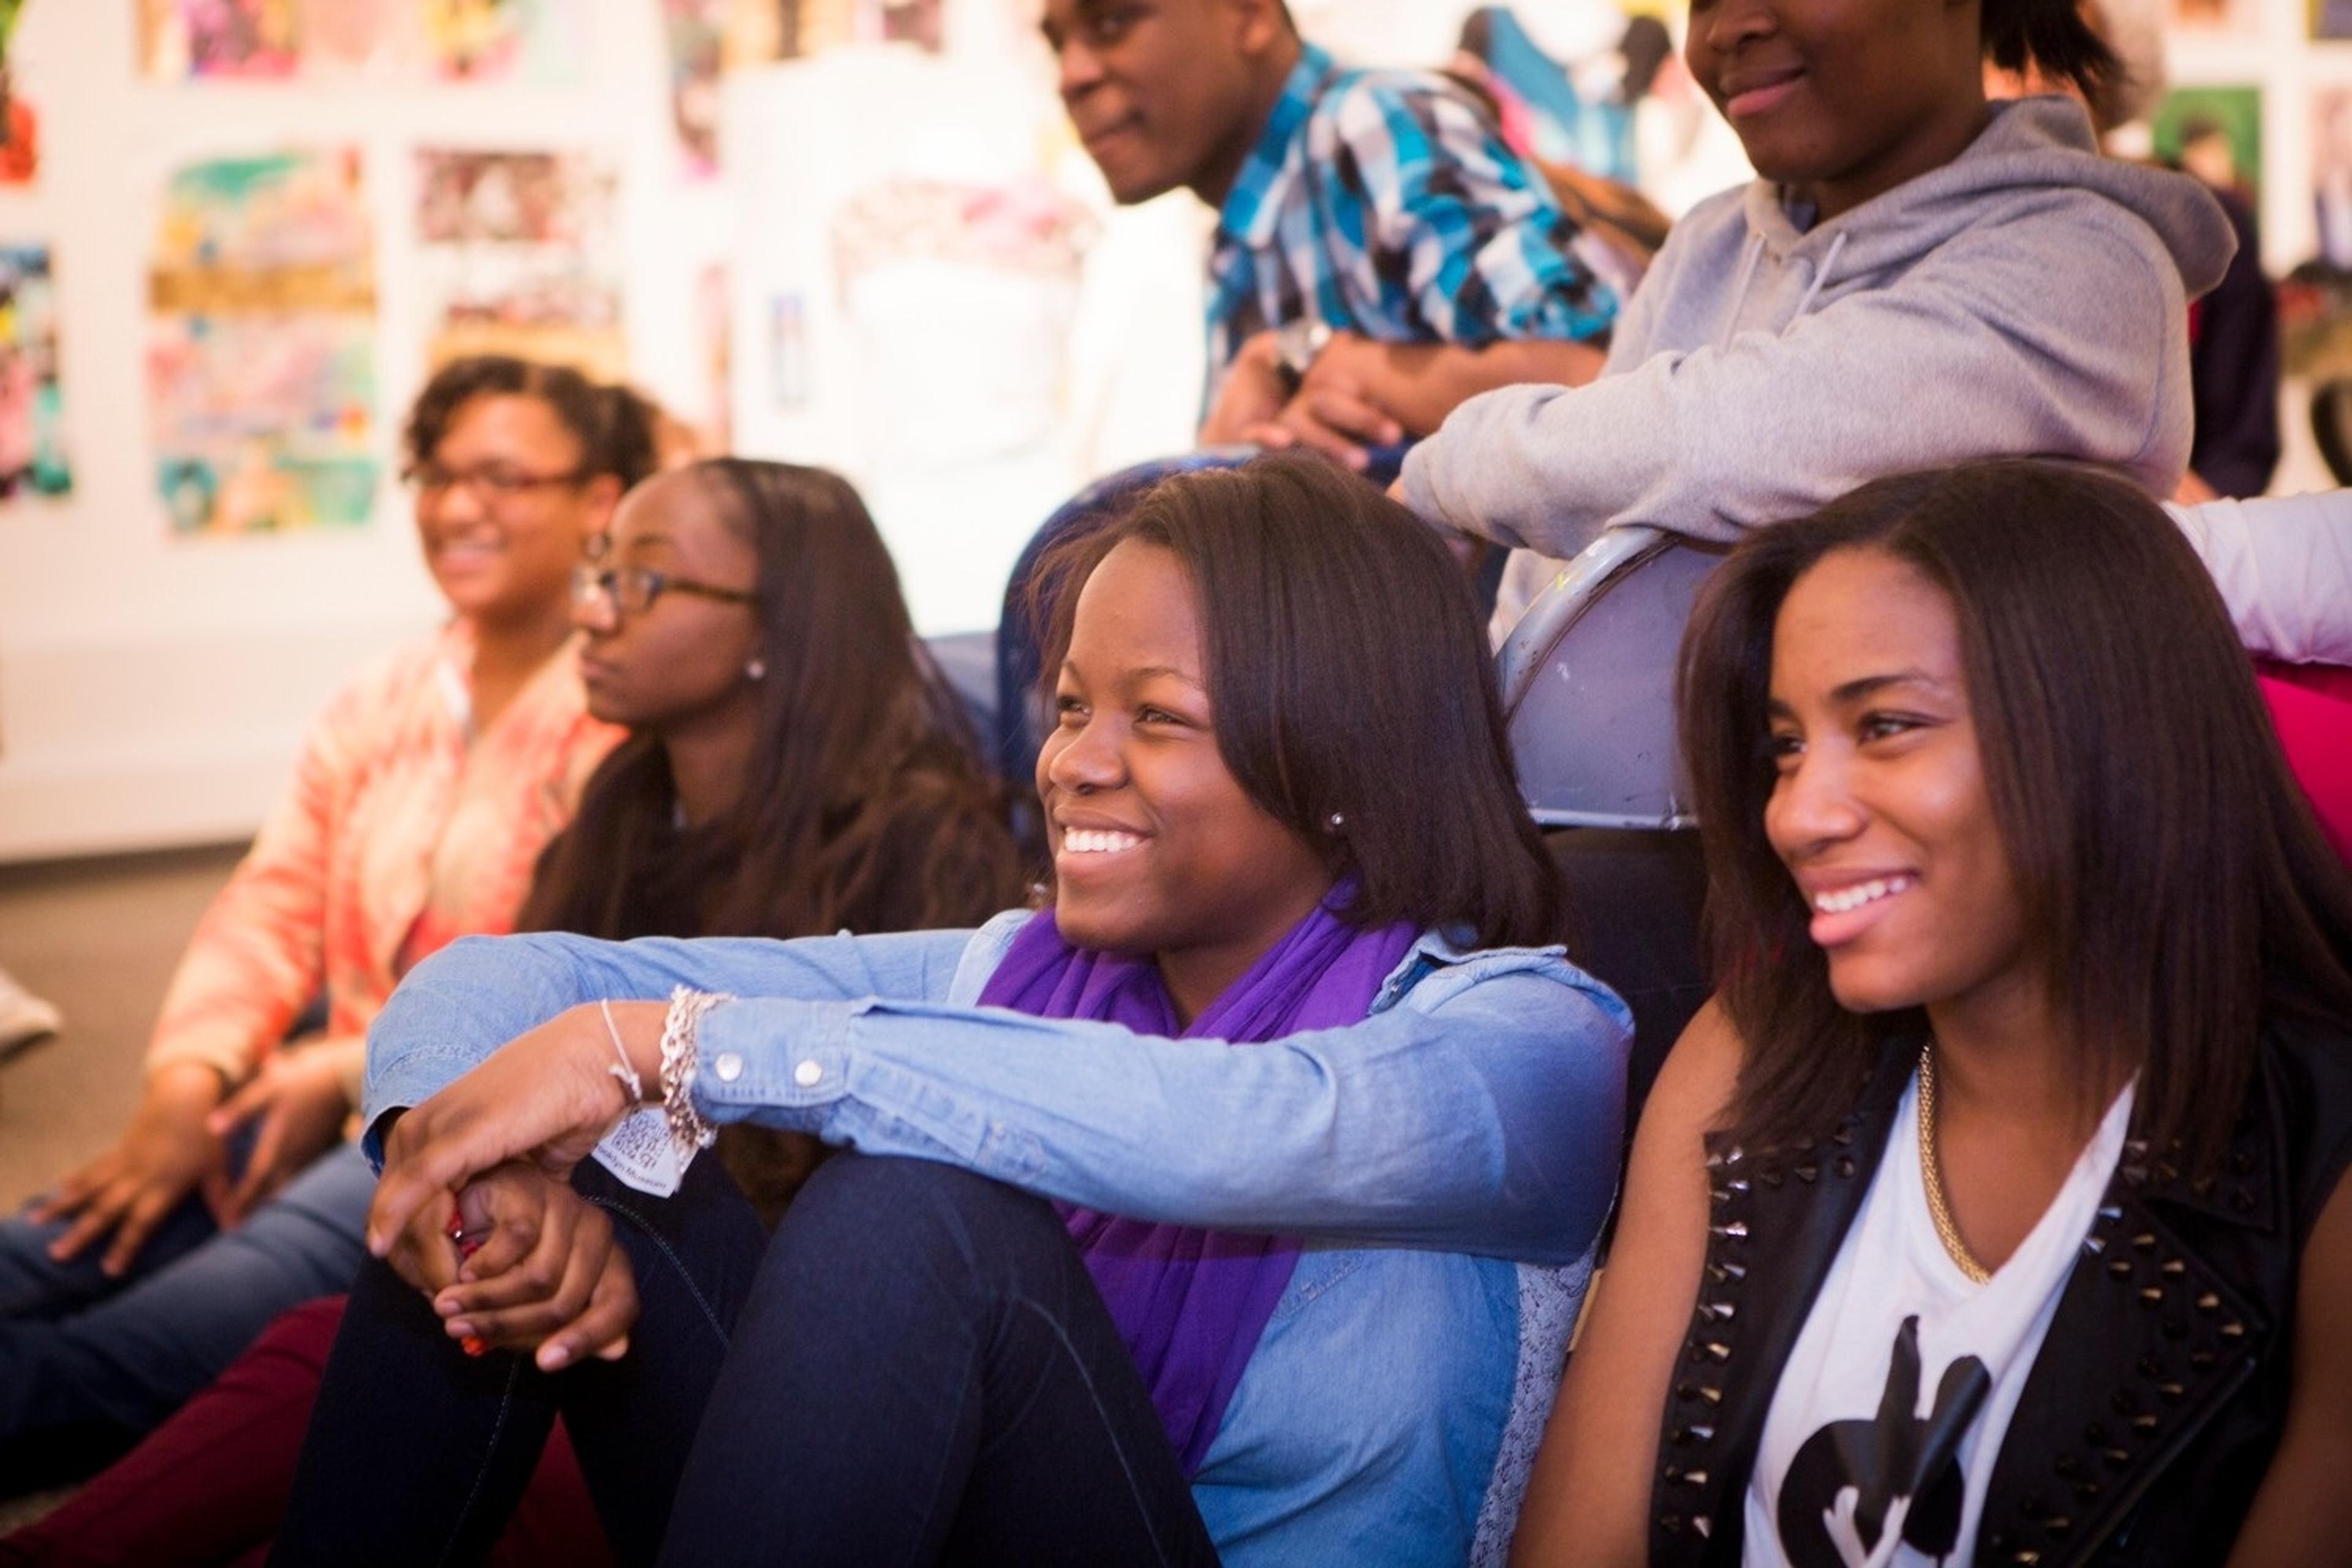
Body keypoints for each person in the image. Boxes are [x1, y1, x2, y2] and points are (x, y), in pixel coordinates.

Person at [272, 453, 1630, 1566]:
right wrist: (464, 1157)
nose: (1073, 764)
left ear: (1337, 748)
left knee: (920, 1208)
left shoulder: (1525, 1042)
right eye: (1071, 706)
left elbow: (1242, 1130)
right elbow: (501, 977)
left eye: (1154, 718)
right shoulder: (1011, 971)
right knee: (549, 1180)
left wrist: (669, 1045)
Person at [0, 458, 1025, 1567]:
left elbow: (880, 1195)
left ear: (778, 628)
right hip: (540, 1237)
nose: (592, 611)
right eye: (600, 573)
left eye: (642, 583)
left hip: (761, 1324)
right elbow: (478, 995)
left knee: (420, 1357)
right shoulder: (627, 802)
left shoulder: (921, 842)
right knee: (364, 1335)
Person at [1512, 459, 2352, 1566]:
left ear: (2104, 728)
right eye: (1786, 747)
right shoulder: (1747, 1057)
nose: (1798, 814)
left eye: (1889, 726)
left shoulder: (2321, 1168)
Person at [0, 355, 655, 1491]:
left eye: (503, 477)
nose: (458, 508)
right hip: (308, 1089)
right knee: (59, 1239)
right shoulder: (385, 696)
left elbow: (579, 988)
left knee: (110, 1362)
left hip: (462, 1126)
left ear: (599, 502)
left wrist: (345, 1066)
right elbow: (273, 902)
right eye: (438, 476)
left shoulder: (623, 718)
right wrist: (182, 1092)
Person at [1390, 0, 2236, 633]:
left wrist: (1453, 466)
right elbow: (1551, 593)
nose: (1729, 27)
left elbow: (1743, 439)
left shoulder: (2087, 266)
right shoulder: (1712, 243)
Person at [1041, 0, 1618, 470]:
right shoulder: (1239, 232)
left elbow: (1599, 390)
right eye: (1056, 44)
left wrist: (1330, 363)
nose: (1072, 76)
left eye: (1112, 22)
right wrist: (1232, 455)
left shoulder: (1367, 126)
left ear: (1249, 15)